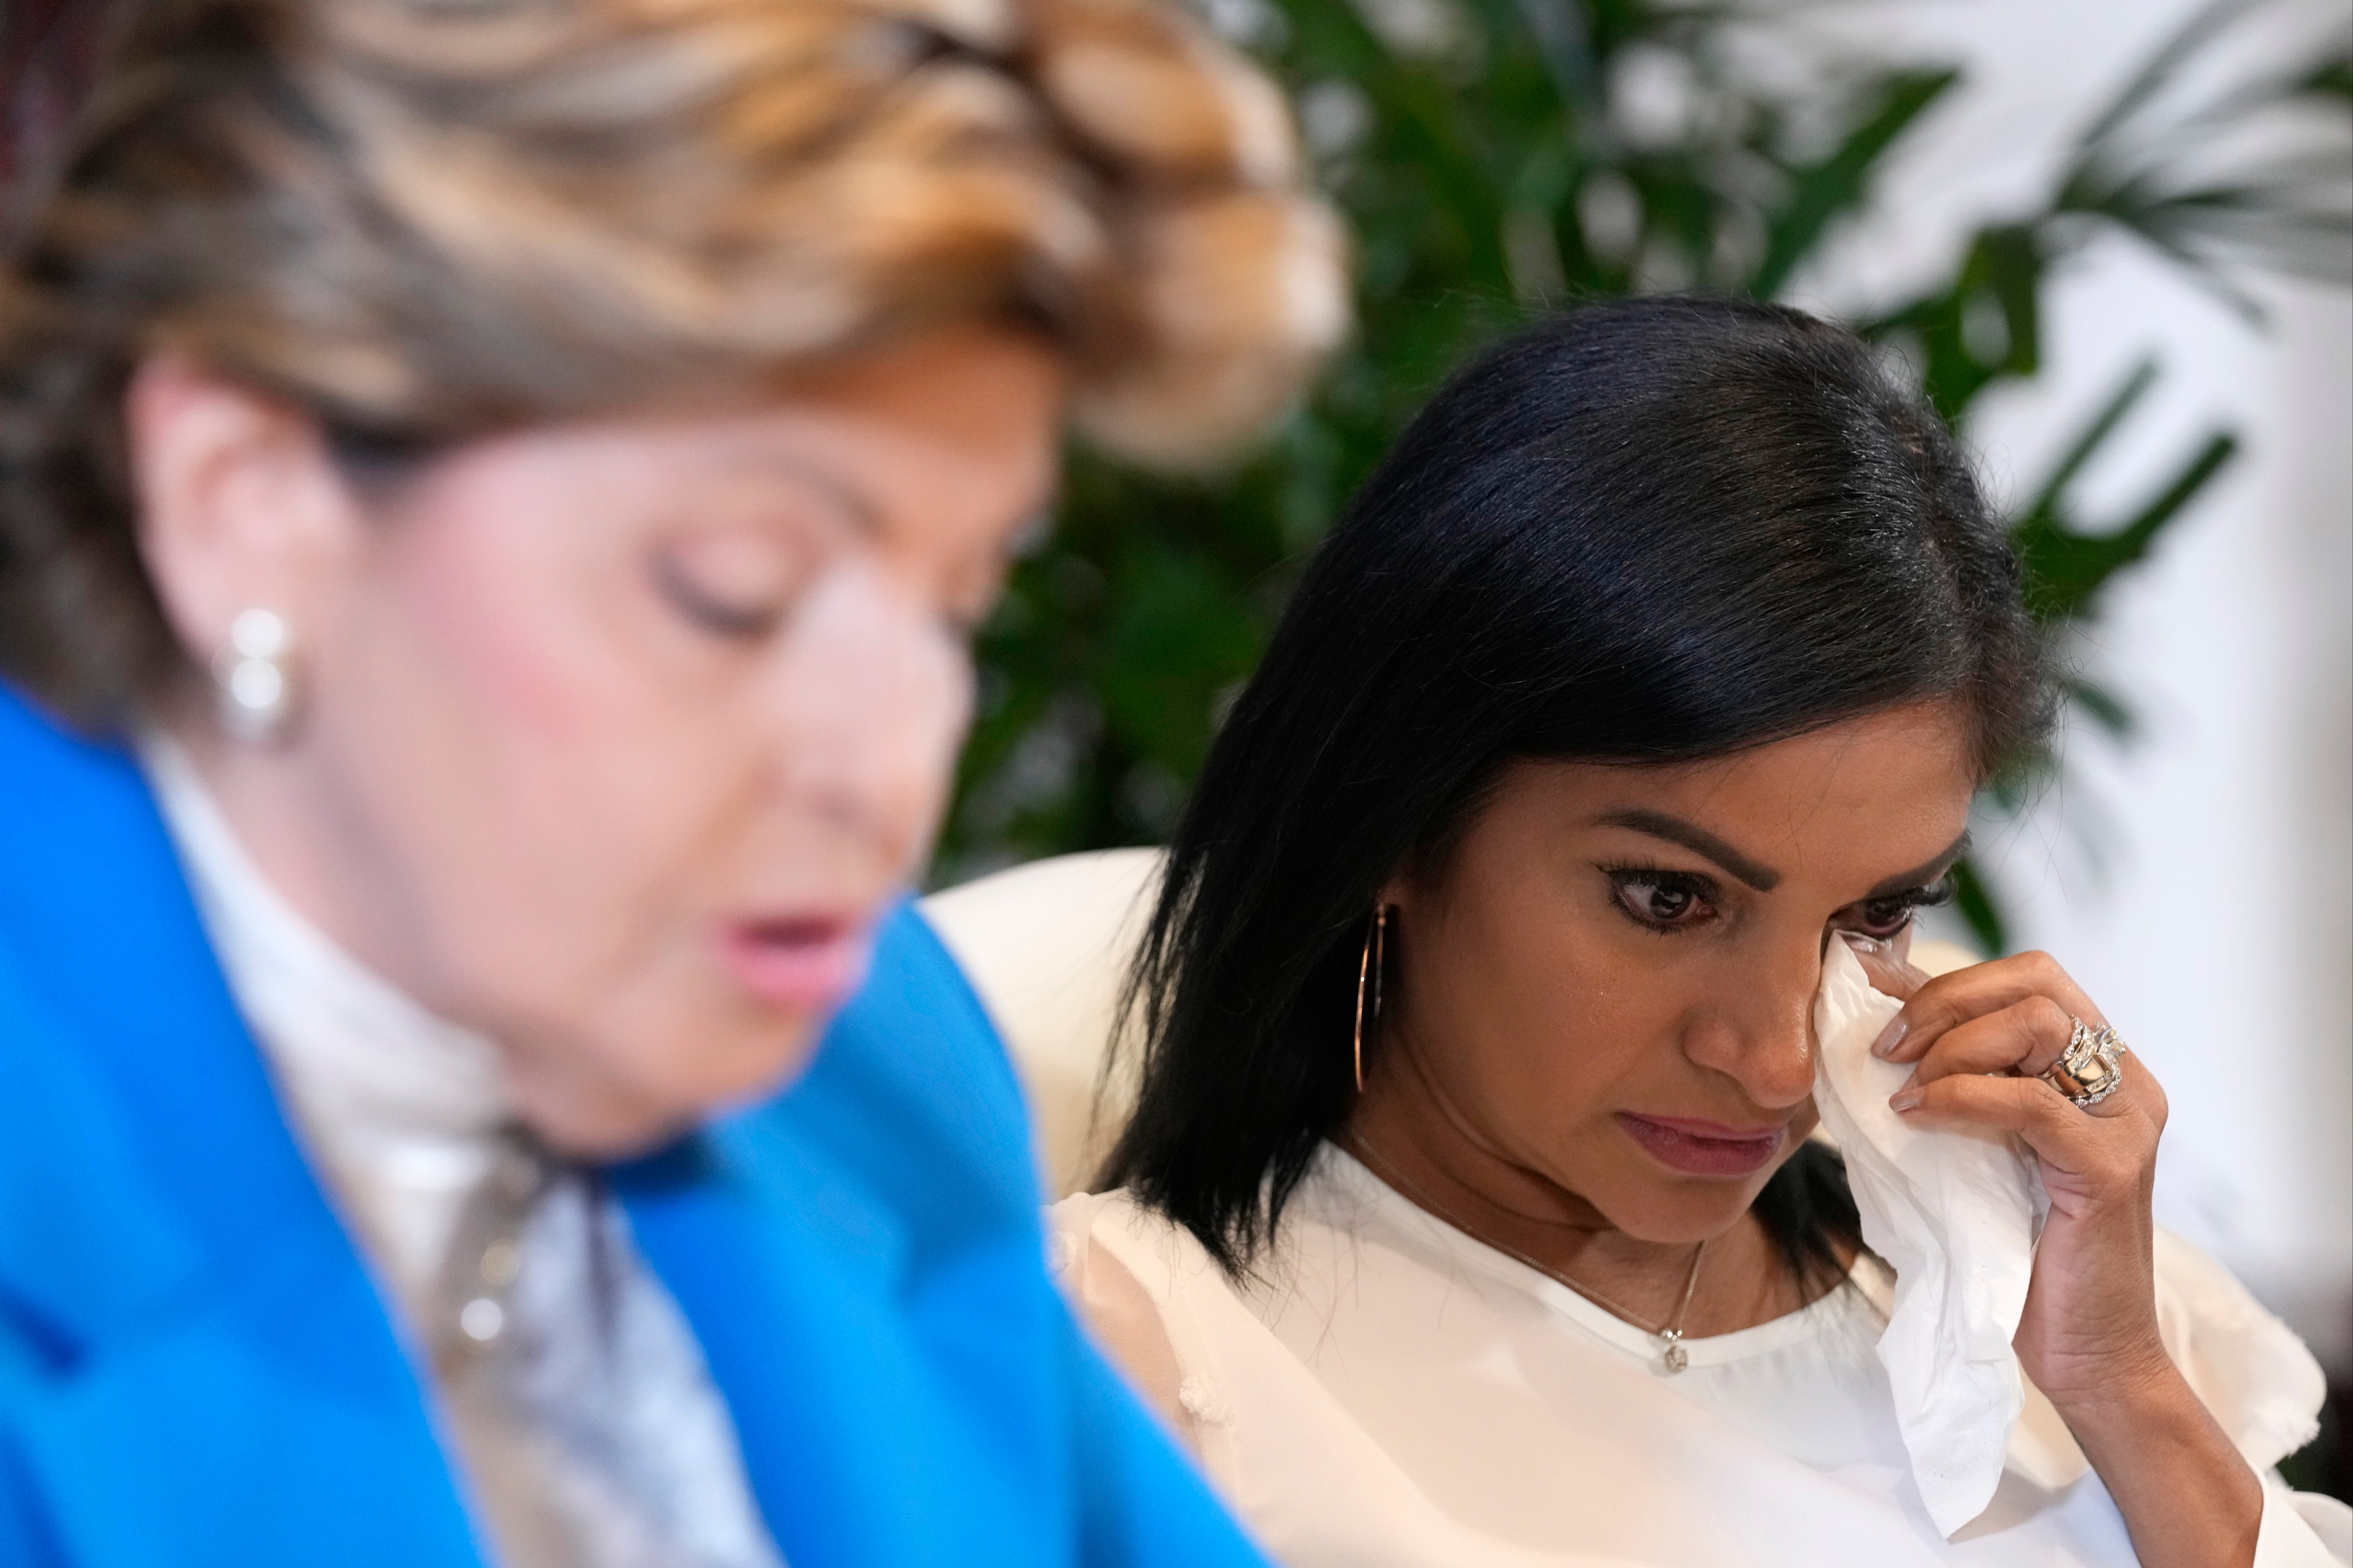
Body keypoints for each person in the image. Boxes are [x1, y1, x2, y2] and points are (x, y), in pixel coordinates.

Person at [0, 0, 1344, 1564]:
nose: (891, 768)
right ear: (251, 498)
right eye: (735, 590)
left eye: (957, 599)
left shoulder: (868, 1057)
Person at [1052, 297, 2351, 1567]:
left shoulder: (2029, 1297)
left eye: (1876, 913)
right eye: (1668, 898)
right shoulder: (1137, 1367)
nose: (1776, 1063)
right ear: (1393, 819)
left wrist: (2120, 1383)